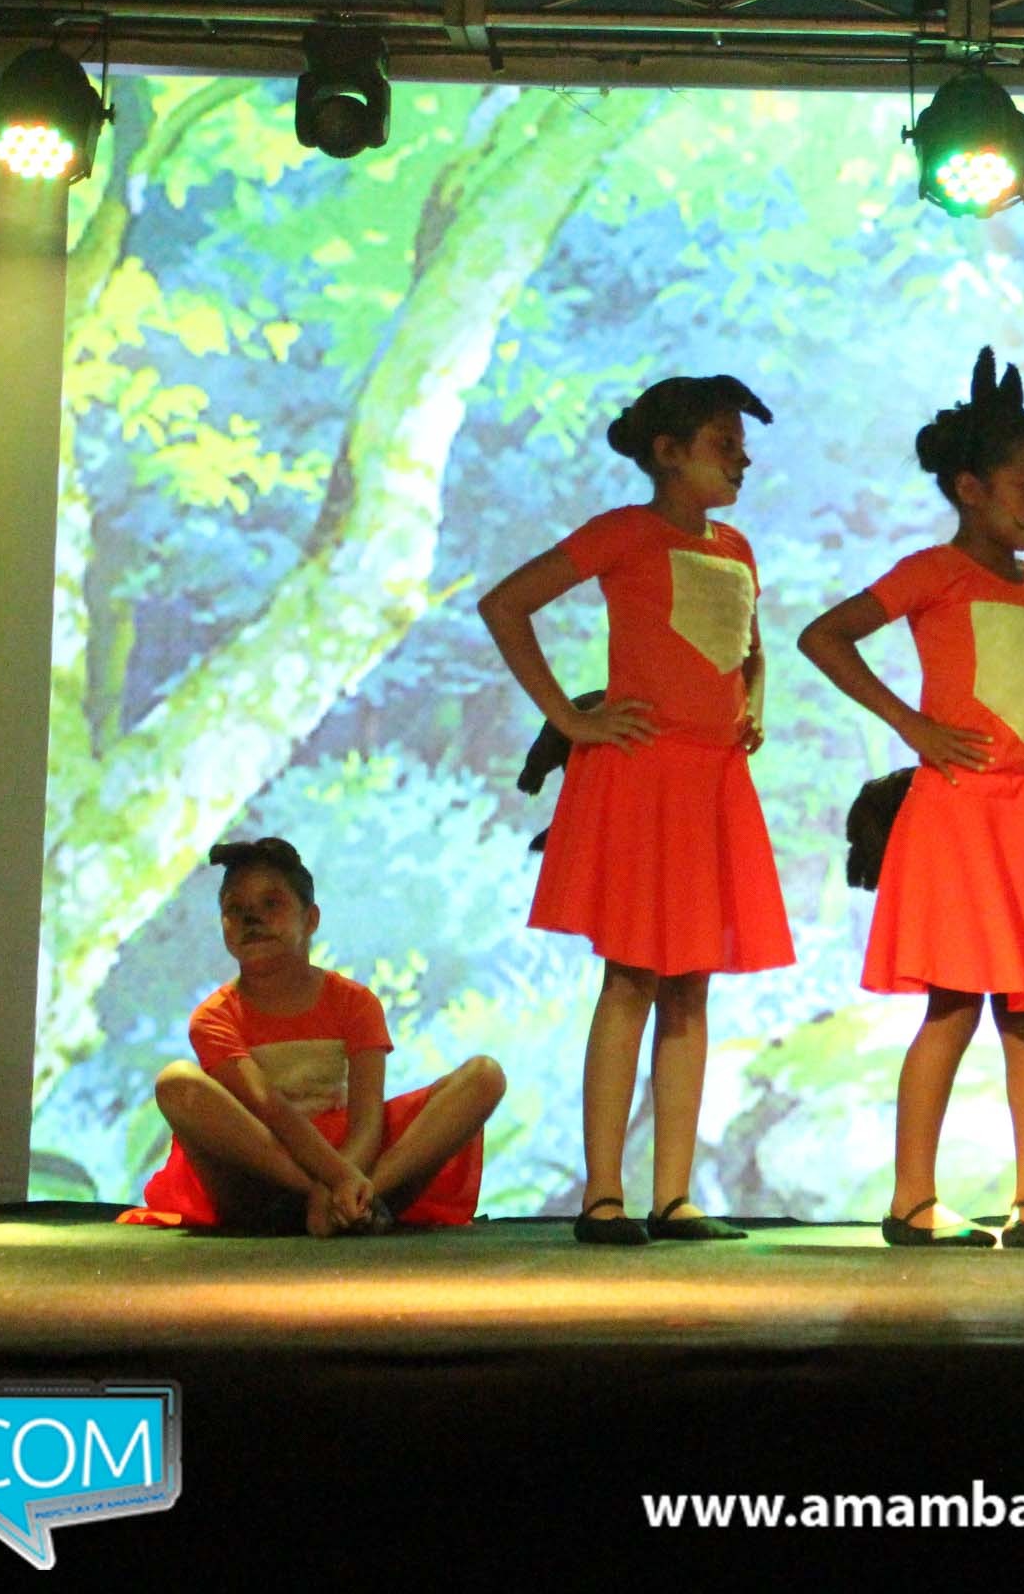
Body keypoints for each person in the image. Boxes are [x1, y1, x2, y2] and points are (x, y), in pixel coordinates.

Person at [797, 348, 1024, 1251]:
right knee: (949, 1004)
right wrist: (915, 726)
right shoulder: (932, 573)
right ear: (971, 487)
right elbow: (825, 636)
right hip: (956, 810)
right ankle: (911, 1197)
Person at [478, 374, 794, 1246]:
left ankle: (675, 1194)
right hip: (642, 776)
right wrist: (570, 718)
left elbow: (749, 650)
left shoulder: (737, 548)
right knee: (631, 977)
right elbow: (506, 605)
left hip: (711, 782)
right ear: (669, 452)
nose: (742, 458)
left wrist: (752, 703)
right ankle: (604, 1195)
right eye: (724, 444)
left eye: (741, 444)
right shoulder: (624, 533)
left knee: (691, 984)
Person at [141, 838, 502, 1236]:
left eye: (271, 904)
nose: (250, 918)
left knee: (485, 1076)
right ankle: (338, 1200)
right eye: (234, 909)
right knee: (176, 1082)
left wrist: (349, 1179)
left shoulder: (355, 1002)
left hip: (350, 1159)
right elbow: (269, 1107)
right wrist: (329, 1183)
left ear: (310, 919)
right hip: (257, 1176)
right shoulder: (213, 1016)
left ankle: (360, 1200)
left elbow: (368, 1121)